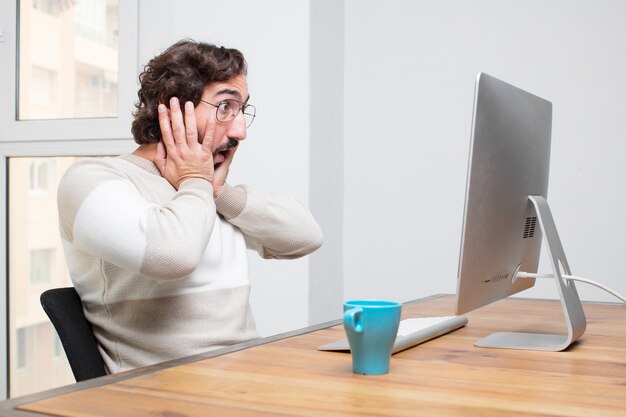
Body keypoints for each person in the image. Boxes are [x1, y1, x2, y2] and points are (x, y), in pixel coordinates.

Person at [57, 39, 323, 374]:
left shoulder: (205, 194)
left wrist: (218, 192)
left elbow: (307, 236)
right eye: (225, 107)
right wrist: (196, 182)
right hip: (163, 396)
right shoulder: (92, 180)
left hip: (247, 380)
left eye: (242, 111)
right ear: (174, 107)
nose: (240, 130)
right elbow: (173, 256)